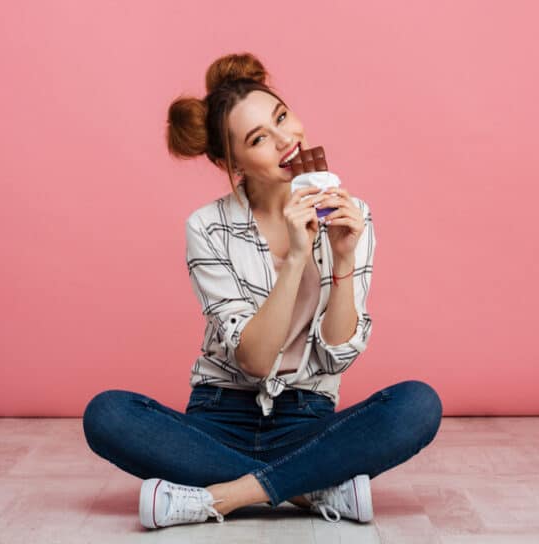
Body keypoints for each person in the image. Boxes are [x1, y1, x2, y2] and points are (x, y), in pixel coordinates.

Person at [82, 52, 442, 529]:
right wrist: (296, 256)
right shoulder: (208, 227)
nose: (285, 140)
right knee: (106, 414)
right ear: (230, 163)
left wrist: (344, 259)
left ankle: (225, 496)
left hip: (308, 418)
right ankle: (307, 488)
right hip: (217, 420)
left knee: (418, 404)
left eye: (281, 117)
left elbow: (337, 356)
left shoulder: (354, 215)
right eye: (258, 139)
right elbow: (253, 360)